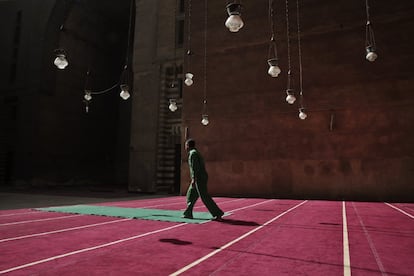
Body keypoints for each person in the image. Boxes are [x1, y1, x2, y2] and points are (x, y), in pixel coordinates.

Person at [182, 138, 224, 220]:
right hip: (200, 177)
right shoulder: (195, 152)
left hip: (199, 178)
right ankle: (188, 212)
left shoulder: (193, 154)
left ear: (187, 146)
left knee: (204, 196)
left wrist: (194, 179)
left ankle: (217, 213)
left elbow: (195, 167)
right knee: (191, 194)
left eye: (185, 146)